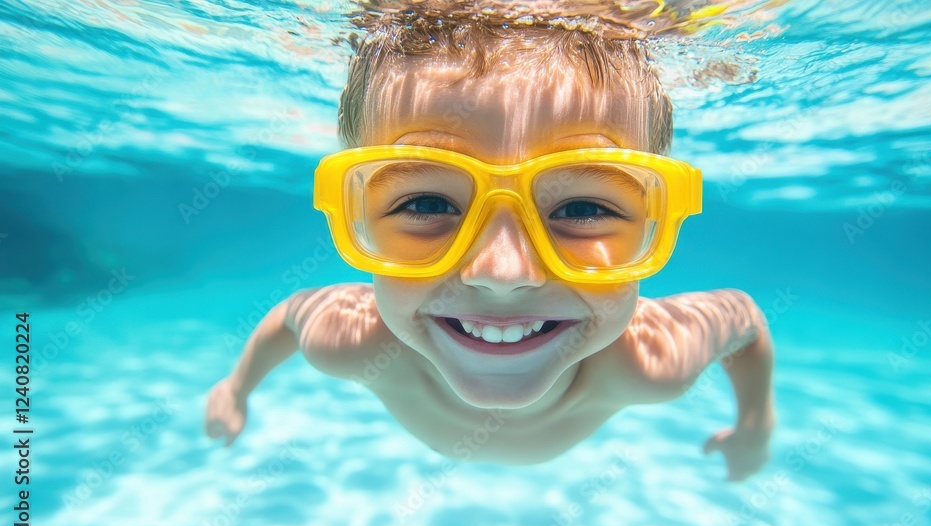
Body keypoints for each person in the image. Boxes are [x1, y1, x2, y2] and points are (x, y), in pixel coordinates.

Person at [205, 2, 775, 480]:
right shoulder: (351, 342)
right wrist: (235, 388)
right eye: (427, 204)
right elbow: (290, 318)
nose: (502, 272)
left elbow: (744, 321)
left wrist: (757, 423)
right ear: (356, 214)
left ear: (658, 218)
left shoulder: (653, 363)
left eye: (582, 209)